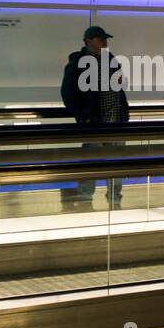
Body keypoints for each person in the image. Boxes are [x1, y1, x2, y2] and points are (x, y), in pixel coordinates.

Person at [60, 26, 130, 210]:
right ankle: (85, 198)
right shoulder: (78, 63)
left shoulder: (110, 59)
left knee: (116, 161)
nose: (104, 43)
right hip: (95, 123)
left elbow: (118, 84)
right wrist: (84, 117)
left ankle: (114, 198)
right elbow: (68, 93)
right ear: (87, 42)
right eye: (100, 39)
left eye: (105, 39)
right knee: (91, 159)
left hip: (116, 121)